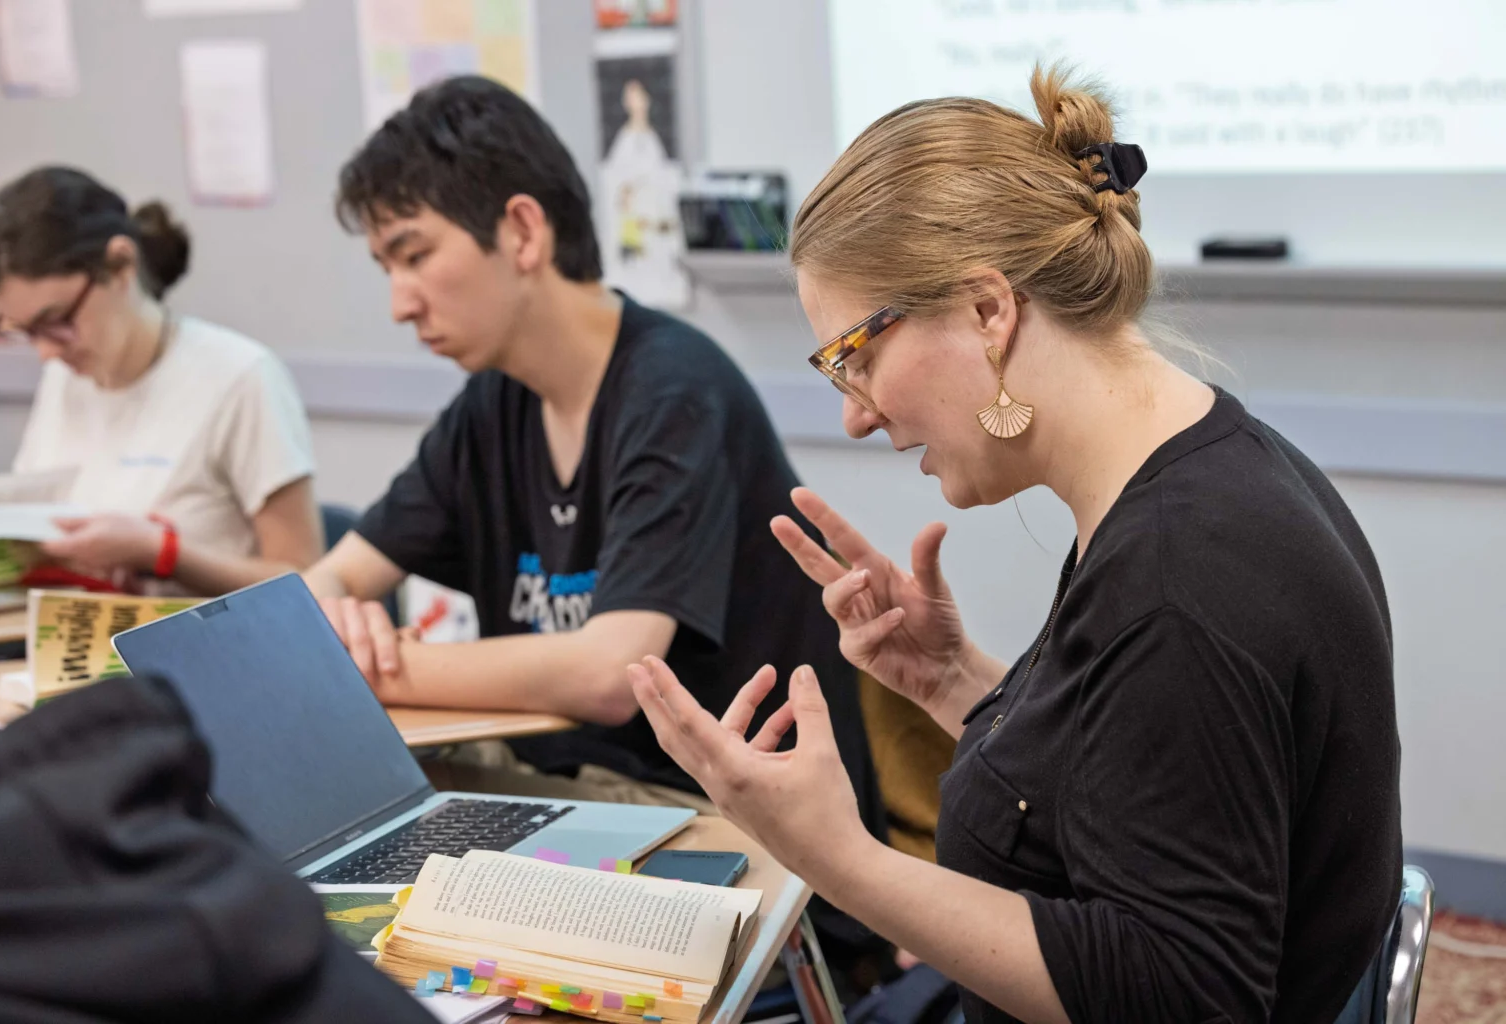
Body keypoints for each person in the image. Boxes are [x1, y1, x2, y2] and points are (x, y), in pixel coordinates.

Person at [627, 67, 1401, 1024]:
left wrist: (839, 860)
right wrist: (955, 684)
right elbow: (1133, 788)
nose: (855, 414)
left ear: (989, 310)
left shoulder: (1181, 580)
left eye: (854, 356)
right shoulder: (1212, 470)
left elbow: (1181, 995)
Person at [304, 76, 881, 831]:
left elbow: (614, 671)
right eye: (387, 269)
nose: (400, 303)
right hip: (576, 791)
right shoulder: (491, 402)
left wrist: (378, 669)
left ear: (521, 231)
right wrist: (348, 627)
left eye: (413, 256)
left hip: (725, 816)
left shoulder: (674, 389)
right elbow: (335, 577)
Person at [0, 167, 322, 596]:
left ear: (120, 265)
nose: (46, 353)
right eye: (25, 331)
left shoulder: (240, 378)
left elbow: (310, 583)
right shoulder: (64, 378)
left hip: (205, 653)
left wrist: (164, 554)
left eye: (56, 321)